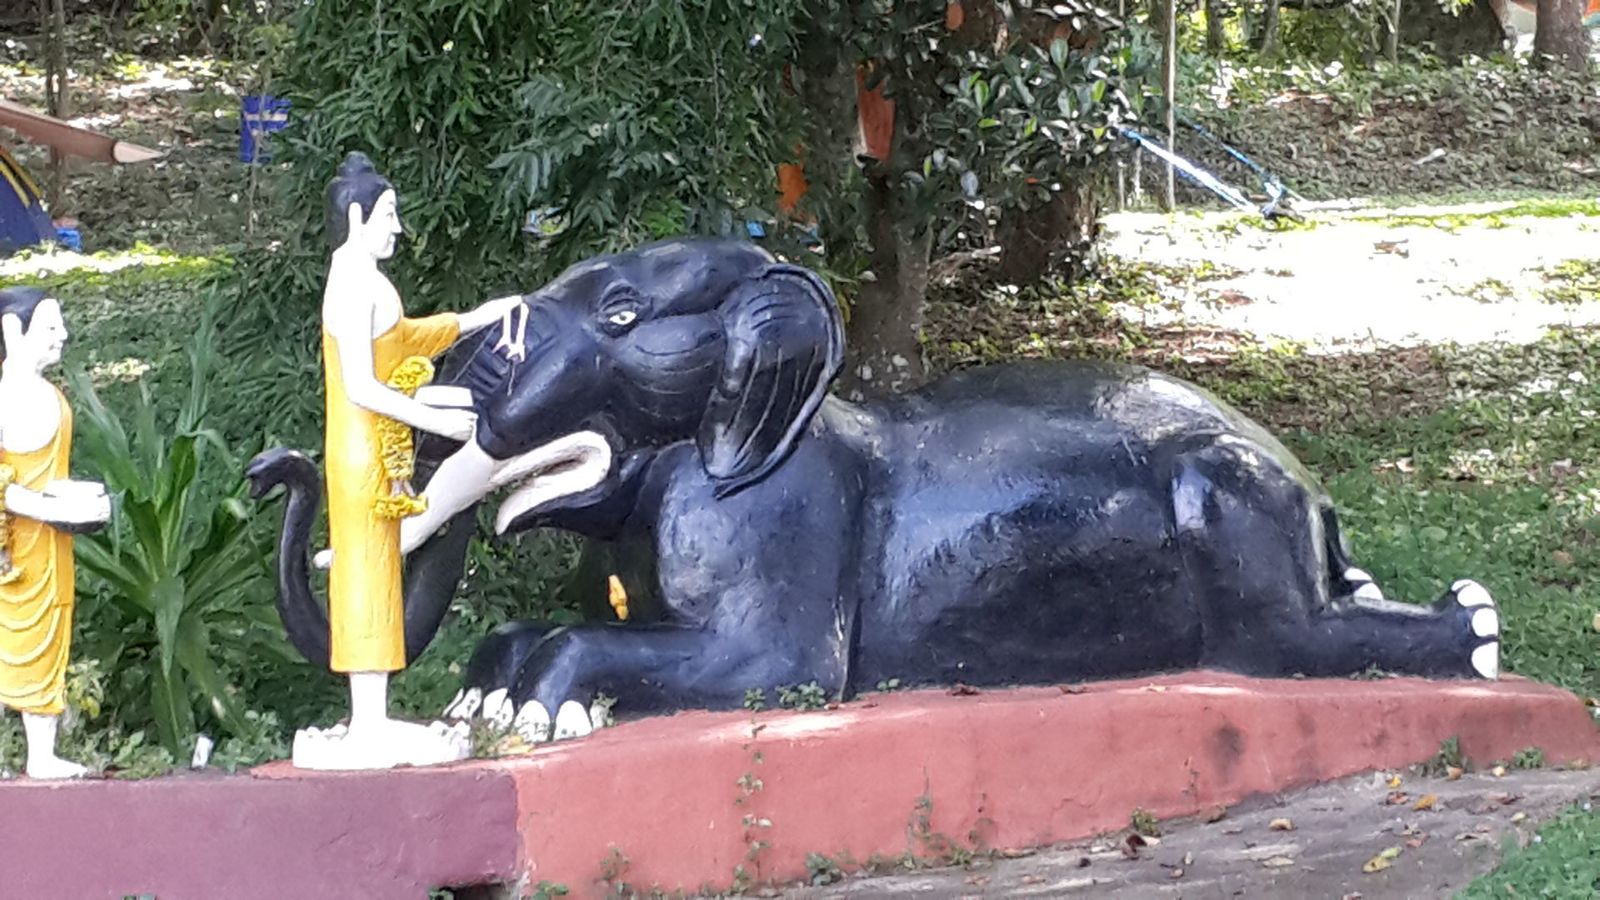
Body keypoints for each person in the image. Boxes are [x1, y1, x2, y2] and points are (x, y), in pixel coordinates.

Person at [297, 152, 519, 770]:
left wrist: (479, 318)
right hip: (362, 446)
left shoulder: (370, 281)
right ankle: (367, 721)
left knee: (380, 566)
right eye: (389, 215)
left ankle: (375, 714)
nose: (398, 227)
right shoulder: (349, 287)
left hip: (383, 443)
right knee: (367, 571)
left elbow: (410, 337)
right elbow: (360, 385)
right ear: (356, 217)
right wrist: (433, 420)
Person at [0, 287, 111, 779]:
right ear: (13, 332)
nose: (62, 334)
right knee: (16, 639)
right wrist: (49, 508)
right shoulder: (7, 398)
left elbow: (48, 474)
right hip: (16, 547)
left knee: (50, 635)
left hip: (50, 544)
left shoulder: (49, 395)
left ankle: (40, 753)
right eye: (49, 327)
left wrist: (82, 499)